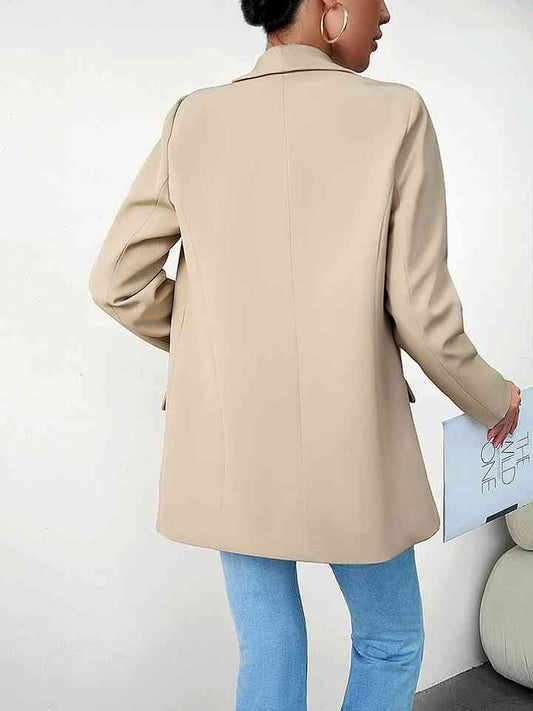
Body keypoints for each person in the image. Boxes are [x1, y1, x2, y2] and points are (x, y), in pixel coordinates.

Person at [88, 0, 522, 708]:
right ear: (327, 7)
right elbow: (421, 311)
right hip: (351, 433)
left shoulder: (192, 119)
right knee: (389, 639)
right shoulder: (396, 114)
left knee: (270, 645)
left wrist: (215, 347)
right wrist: (492, 397)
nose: (386, 12)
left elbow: (117, 280)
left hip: (232, 436)